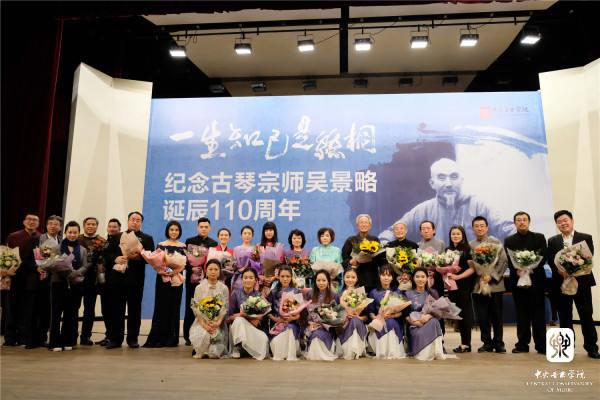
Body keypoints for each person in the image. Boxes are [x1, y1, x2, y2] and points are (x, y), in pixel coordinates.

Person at [379, 158, 515, 243]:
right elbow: (392, 232)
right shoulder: (423, 210)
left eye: (454, 177)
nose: (449, 184)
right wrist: (382, 246)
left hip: (473, 271)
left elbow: (506, 228)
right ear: (432, 183)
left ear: (461, 181)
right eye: (442, 178)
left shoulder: (479, 206)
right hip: (435, 273)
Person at [547, 210, 598, 359]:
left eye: (565, 220)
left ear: (572, 221)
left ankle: (592, 347)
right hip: (562, 283)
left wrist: (574, 271)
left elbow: (588, 256)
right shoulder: (553, 240)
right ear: (557, 225)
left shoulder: (585, 237)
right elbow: (551, 260)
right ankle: (566, 348)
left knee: (586, 315)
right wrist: (560, 271)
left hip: (582, 282)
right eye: (559, 222)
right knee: (565, 316)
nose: (563, 224)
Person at [104, 211, 154, 349]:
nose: (135, 222)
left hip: (136, 280)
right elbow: (107, 253)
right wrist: (116, 258)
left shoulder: (147, 238)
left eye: (138, 220)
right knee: (117, 310)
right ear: (127, 221)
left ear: (141, 223)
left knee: (134, 310)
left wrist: (138, 257)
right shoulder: (117, 236)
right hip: (117, 279)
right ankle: (116, 339)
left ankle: (133, 339)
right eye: (132, 219)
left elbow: (151, 258)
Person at [504, 211, 547, 355]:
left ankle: (541, 345)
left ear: (529, 222)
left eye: (524, 220)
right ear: (514, 223)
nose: (522, 222)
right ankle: (522, 344)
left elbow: (543, 256)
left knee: (538, 314)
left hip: (536, 281)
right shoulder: (509, 240)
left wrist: (529, 268)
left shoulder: (539, 237)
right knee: (521, 313)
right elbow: (508, 259)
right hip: (518, 281)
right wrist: (516, 269)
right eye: (518, 220)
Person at [19, 215, 63, 349]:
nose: (52, 226)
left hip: (53, 282)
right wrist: (37, 267)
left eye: (56, 224)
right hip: (36, 281)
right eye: (50, 223)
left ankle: (42, 338)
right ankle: (30, 340)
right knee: (32, 312)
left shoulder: (62, 242)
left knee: (46, 313)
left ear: (60, 227)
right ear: (46, 225)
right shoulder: (36, 240)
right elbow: (25, 259)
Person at [143, 221, 186, 348]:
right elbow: (155, 261)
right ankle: (158, 337)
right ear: (167, 231)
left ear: (180, 232)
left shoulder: (183, 246)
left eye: (176, 230)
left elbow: (185, 263)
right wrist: (160, 271)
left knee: (174, 307)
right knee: (161, 306)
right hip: (162, 278)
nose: (174, 232)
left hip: (176, 279)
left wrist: (176, 271)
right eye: (171, 229)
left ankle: (171, 339)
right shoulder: (161, 245)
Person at [49, 221, 90, 351]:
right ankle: (55, 342)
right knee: (56, 314)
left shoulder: (83, 250)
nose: (72, 235)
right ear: (65, 232)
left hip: (75, 284)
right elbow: (51, 264)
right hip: (58, 283)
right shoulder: (57, 248)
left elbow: (85, 266)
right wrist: (62, 272)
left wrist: (74, 273)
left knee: (71, 313)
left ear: (79, 233)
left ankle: (67, 340)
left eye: (75, 232)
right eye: (70, 232)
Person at [2, 212, 41, 347]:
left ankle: (24, 337)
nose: (31, 222)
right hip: (15, 277)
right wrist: (6, 271)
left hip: (32, 278)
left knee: (27, 310)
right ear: (24, 221)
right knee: (12, 308)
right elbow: (5, 255)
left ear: (38, 223)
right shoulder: (14, 236)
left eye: (35, 220)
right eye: (29, 219)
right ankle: (10, 338)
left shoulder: (41, 237)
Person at [470, 216, 507, 354]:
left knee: (497, 315)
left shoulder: (495, 242)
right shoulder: (471, 245)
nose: (479, 228)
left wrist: (491, 275)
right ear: (473, 228)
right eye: (476, 226)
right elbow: (470, 266)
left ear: (487, 227)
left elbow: (503, 262)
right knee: (482, 316)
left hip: (495, 285)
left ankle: (499, 343)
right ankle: (486, 342)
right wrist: (481, 273)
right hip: (478, 285)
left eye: (482, 226)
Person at [183, 217, 218, 346]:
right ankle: (188, 336)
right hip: (191, 280)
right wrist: (191, 268)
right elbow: (183, 261)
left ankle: (205, 334)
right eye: (201, 227)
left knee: (206, 307)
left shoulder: (213, 243)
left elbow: (214, 262)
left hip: (207, 281)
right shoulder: (190, 241)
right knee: (191, 306)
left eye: (206, 227)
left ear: (210, 228)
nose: (204, 229)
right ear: (197, 228)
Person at [405, 267, 449, 360]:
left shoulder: (433, 292)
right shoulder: (408, 294)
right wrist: (415, 322)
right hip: (414, 325)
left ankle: (433, 352)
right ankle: (422, 352)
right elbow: (405, 314)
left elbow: (438, 312)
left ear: (427, 278)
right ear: (413, 278)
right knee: (421, 331)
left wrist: (429, 316)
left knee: (434, 321)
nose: (420, 279)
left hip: (428, 323)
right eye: (417, 277)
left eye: (422, 277)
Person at [190, 259, 229, 359]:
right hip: (202, 323)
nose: (213, 272)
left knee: (214, 353)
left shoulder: (224, 288)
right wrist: (204, 324)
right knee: (202, 338)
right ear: (206, 271)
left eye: (216, 269)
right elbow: (195, 307)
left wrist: (217, 323)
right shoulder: (199, 288)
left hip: (218, 324)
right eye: (210, 269)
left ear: (219, 272)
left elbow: (225, 308)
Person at [445, 225, 475, 353]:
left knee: (464, 314)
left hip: (464, 285)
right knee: (457, 314)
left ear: (463, 235)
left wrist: (458, 277)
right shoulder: (448, 250)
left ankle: (466, 344)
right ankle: (464, 342)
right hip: (452, 286)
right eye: (453, 234)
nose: (455, 236)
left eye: (458, 234)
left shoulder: (467, 249)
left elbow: (472, 268)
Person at [228, 267, 269, 360]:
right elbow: (231, 316)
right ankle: (237, 347)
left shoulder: (259, 296)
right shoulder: (236, 294)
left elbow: (261, 318)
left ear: (255, 280)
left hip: (254, 327)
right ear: (242, 279)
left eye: (251, 278)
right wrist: (243, 317)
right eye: (245, 278)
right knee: (239, 320)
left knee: (264, 341)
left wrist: (244, 315)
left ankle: (250, 348)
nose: (248, 280)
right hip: (240, 326)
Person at [367, 264, 406, 359]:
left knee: (390, 321)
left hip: (393, 319)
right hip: (379, 321)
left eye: (389, 275)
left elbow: (401, 312)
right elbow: (371, 311)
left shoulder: (397, 292)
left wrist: (393, 316)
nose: (386, 278)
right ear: (379, 276)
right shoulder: (373, 292)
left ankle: (392, 351)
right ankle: (381, 352)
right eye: (383, 275)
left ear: (392, 277)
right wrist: (375, 317)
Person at [266, 265, 303, 361]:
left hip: (292, 323)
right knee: (277, 344)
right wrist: (275, 319)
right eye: (282, 276)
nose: (285, 279)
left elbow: (300, 313)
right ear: (278, 277)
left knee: (289, 328)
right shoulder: (273, 292)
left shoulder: (296, 291)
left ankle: (290, 353)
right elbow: (267, 311)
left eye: (287, 276)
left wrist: (292, 318)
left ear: (291, 277)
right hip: (277, 325)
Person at [95, 218, 121, 346]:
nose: (112, 229)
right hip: (103, 281)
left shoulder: (122, 243)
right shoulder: (101, 243)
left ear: (119, 229)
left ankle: (113, 336)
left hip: (116, 281)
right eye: (110, 226)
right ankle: (108, 335)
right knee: (105, 309)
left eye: (115, 227)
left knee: (114, 310)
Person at [341, 214, 383, 293]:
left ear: (370, 226)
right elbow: (343, 259)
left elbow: (380, 259)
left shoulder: (375, 240)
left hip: (371, 278)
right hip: (354, 279)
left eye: (366, 222)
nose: (364, 224)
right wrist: (350, 262)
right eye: (361, 222)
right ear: (357, 225)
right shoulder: (351, 240)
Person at [77, 217, 102, 346]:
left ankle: (86, 336)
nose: (91, 226)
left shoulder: (101, 241)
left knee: (89, 309)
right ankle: (71, 334)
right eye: (88, 224)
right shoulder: (77, 239)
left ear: (97, 226)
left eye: (93, 224)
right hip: (76, 279)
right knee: (73, 308)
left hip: (92, 281)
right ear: (83, 225)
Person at [418, 220, 446, 332]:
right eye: (423, 229)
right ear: (420, 232)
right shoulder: (418, 246)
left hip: (437, 280)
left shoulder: (441, 244)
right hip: (423, 282)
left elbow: (446, 263)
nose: (426, 231)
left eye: (428, 228)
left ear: (433, 230)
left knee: (438, 307)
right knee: (424, 307)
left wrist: (436, 271)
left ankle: (440, 333)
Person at [305, 270, 339, 361]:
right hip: (314, 327)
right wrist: (311, 323)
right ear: (315, 281)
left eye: (324, 280)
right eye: (318, 280)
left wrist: (324, 324)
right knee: (315, 332)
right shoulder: (310, 296)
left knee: (318, 333)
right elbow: (307, 315)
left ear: (328, 281)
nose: (321, 283)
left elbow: (338, 316)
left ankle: (324, 353)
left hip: (328, 328)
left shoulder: (334, 296)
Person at [336, 267, 369, 360]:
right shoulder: (338, 295)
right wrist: (345, 317)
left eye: (353, 277)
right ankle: (348, 350)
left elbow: (367, 316)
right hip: (344, 325)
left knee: (355, 320)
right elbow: (335, 315)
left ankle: (357, 350)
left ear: (357, 279)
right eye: (347, 277)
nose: (350, 280)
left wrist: (359, 317)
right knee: (352, 321)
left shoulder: (361, 294)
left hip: (358, 323)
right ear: (343, 278)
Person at [309, 227, 343, 292]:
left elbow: (340, 266)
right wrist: (321, 278)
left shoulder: (337, 250)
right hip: (318, 282)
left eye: (327, 236)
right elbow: (311, 266)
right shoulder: (315, 250)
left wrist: (334, 276)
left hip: (333, 281)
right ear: (319, 238)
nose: (325, 238)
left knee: (333, 297)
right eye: (322, 236)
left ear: (331, 237)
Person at [231, 225, 259, 292]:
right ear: (241, 235)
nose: (247, 235)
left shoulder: (255, 250)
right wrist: (239, 270)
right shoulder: (236, 249)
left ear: (252, 236)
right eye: (245, 233)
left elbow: (257, 267)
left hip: (251, 280)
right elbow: (232, 267)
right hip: (238, 280)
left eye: (249, 234)